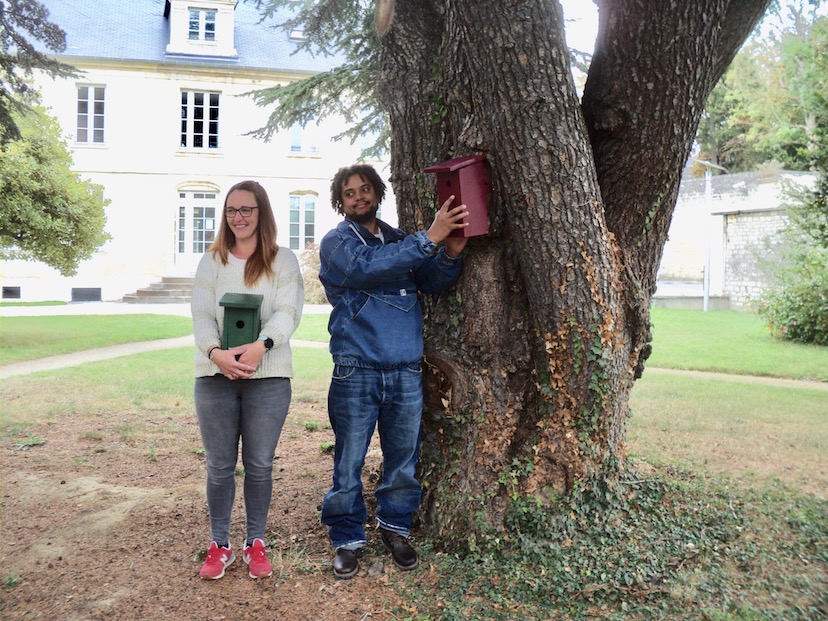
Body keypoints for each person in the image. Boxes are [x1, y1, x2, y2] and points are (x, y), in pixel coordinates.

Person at [318, 163, 469, 579]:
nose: (358, 197)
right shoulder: (337, 244)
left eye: (365, 189)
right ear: (340, 201)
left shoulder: (401, 240)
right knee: (349, 461)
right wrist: (431, 237)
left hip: (404, 369)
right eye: (349, 193)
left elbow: (430, 279)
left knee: (403, 459)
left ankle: (396, 528)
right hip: (356, 368)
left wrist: (450, 251)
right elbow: (369, 267)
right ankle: (347, 539)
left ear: (377, 193)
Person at [191, 180, 304, 580]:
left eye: (247, 210)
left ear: (262, 214)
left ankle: (255, 542)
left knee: (258, 465)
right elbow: (202, 316)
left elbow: (287, 312)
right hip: (214, 376)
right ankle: (219, 544)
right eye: (232, 211)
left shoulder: (282, 261)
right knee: (219, 466)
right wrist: (216, 354)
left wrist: (260, 346)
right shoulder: (213, 261)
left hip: (268, 378)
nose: (238, 218)